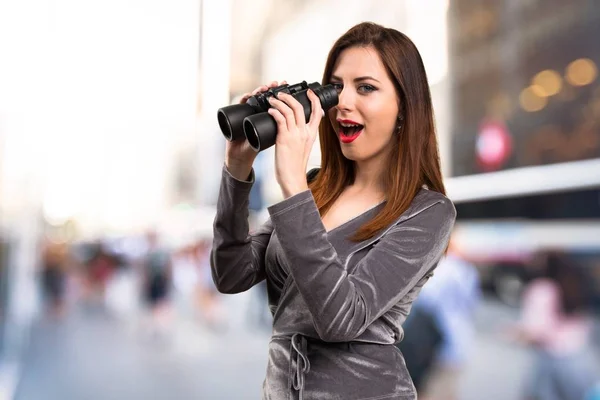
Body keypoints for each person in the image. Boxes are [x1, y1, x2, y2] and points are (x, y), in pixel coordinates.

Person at [211, 22, 456, 400]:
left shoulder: (428, 213)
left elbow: (342, 319)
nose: (343, 102)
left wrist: (293, 186)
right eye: (336, 87)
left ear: (404, 107)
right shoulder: (315, 188)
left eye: (366, 88)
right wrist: (237, 168)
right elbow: (231, 273)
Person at [507, 251, 599, 400]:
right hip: (580, 360)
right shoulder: (573, 285)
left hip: (552, 362)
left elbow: (536, 331)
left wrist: (513, 333)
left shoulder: (541, 289)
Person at [399, 234, 481, 399]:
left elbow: (422, 304)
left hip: (431, 347)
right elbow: (472, 304)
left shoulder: (436, 268)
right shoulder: (467, 270)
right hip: (457, 342)